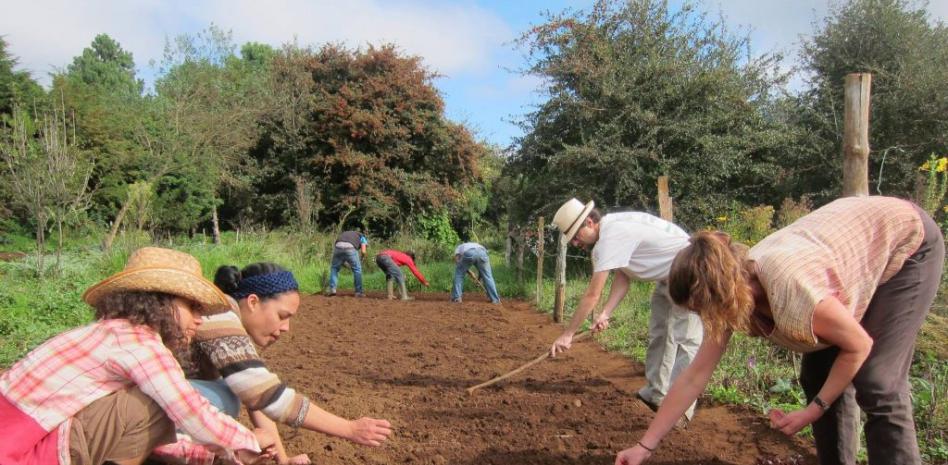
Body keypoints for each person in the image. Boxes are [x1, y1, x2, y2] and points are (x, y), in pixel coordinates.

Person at [616, 196, 944, 465]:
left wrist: (811, 411)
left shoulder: (793, 293)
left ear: (717, 297)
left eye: (698, 310)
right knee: (819, 377)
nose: (700, 318)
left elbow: (857, 345)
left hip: (904, 240)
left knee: (877, 381)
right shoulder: (734, 293)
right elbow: (693, 376)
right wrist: (644, 447)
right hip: (837, 262)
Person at [0, 247, 273, 465]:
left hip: (20, 445)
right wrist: (248, 440)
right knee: (153, 404)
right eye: (193, 308)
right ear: (160, 301)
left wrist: (215, 455)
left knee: (146, 407)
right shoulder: (140, 344)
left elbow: (138, 437)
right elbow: (193, 413)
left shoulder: (111, 333)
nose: (200, 320)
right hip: (24, 453)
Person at [160, 262, 394, 465]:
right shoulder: (221, 312)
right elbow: (264, 395)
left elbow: (257, 400)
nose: (286, 328)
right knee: (226, 398)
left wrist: (282, 459)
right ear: (252, 301)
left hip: (148, 404)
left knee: (231, 390)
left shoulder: (226, 316)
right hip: (140, 409)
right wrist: (350, 429)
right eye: (282, 316)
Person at [548, 198, 702, 427]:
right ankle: (655, 394)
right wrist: (606, 314)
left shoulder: (611, 236)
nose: (576, 244)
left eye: (576, 237)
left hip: (690, 272)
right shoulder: (611, 229)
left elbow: (592, 295)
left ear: (589, 222)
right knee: (660, 335)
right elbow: (624, 275)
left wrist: (568, 334)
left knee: (685, 341)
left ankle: (680, 410)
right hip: (667, 277)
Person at [327, 230, 368, 297]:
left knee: (334, 268)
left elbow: (342, 255)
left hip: (338, 247)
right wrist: (361, 259)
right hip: (350, 248)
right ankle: (358, 292)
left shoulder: (345, 234)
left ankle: (332, 289)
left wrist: (347, 264)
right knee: (357, 270)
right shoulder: (362, 237)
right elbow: (363, 251)